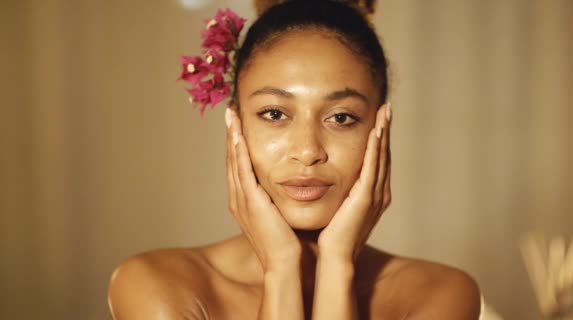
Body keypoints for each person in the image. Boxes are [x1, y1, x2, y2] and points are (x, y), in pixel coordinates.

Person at [107, 0, 481, 319]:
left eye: (341, 117)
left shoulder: (437, 295)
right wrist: (280, 268)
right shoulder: (160, 287)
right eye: (274, 114)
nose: (307, 151)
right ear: (234, 124)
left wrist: (337, 267)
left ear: (380, 128)